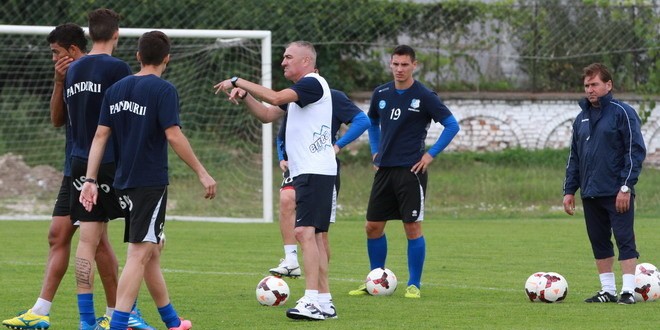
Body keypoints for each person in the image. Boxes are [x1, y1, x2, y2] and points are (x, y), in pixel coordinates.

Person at [79, 30, 216, 330]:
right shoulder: (163, 90)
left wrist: (89, 178)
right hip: (149, 182)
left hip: (122, 182)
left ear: (138, 56)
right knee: (139, 253)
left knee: (150, 249)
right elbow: (173, 134)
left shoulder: (115, 90)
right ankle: (118, 324)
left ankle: (172, 321)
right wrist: (201, 171)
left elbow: (100, 136)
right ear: (167, 58)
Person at [1, 22, 132, 330]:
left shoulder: (107, 71)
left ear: (74, 50)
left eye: (56, 52)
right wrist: (59, 82)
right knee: (58, 235)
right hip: (72, 167)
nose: (53, 58)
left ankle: (118, 317)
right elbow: (58, 120)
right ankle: (40, 311)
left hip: (98, 168)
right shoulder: (70, 75)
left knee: (97, 243)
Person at [215, 40, 336, 321]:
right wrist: (245, 96)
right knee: (314, 236)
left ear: (306, 61)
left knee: (305, 233)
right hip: (309, 172)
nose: (283, 62)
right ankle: (325, 302)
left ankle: (310, 301)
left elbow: (276, 98)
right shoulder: (301, 93)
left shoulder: (312, 83)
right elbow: (268, 114)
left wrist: (237, 79)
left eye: (288, 57)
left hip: (315, 171)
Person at [348, 45, 460, 299]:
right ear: (390, 64)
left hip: (411, 171)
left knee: (412, 228)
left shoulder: (425, 96)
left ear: (414, 65)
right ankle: (375, 280)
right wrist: (375, 151)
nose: (399, 69)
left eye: (404, 65)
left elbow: (452, 125)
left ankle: (414, 284)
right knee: (372, 226)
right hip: (384, 170)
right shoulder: (381, 93)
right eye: (395, 64)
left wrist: (430, 155)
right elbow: (372, 122)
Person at [269, 89, 369, 318]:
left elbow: (362, 120)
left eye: (290, 58)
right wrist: (281, 156)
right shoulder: (293, 97)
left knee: (318, 236)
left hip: (321, 171)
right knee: (291, 209)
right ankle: (293, 261)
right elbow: (280, 130)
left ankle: (321, 299)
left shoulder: (330, 95)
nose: (285, 62)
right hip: (299, 170)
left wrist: (338, 145)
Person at [64, 9, 132, 329]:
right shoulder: (119, 68)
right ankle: (124, 314)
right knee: (144, 241)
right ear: (116, 34)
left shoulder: (74, 69)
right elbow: (125, 116)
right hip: (109, 161)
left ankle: (86, 321)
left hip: (79, 160)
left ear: (89, 35)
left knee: (88, 241)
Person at [563, 63, 646, 305]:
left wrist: (625, 187)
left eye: (595, 84)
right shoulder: (581, 119)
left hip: (617, 191)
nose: (590, 89)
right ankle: (607, 291)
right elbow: (574, 158)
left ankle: (628, 291)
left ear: (608, 85)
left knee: (624, 239)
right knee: (598, 241)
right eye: (587, 85)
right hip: (590, 193)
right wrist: (569, 190)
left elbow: (635, 152)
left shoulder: (623, 112)